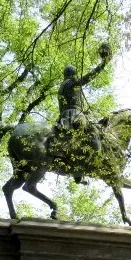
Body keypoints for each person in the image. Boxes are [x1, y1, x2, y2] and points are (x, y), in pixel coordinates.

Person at [51, 43, 111, 181]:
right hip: (74, 115)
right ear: (72, 74)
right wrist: (103, 64)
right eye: (75, 74)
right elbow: (88, 77)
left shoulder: (61, 87)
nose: (76, 76)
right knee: (94, 133)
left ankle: (78, 170)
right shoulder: (71, 83)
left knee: (77, 140)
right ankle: (89, 163)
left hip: (63, 117)